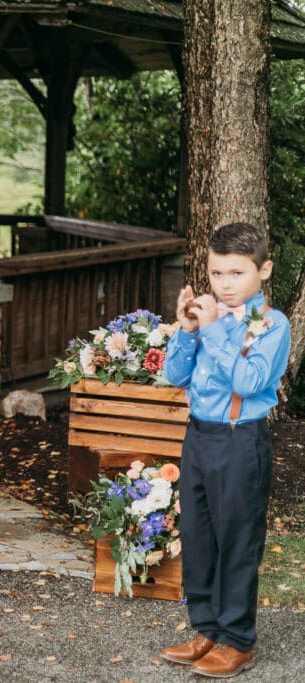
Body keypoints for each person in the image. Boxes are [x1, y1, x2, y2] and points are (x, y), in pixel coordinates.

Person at [160, 222, 290, 678]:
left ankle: (237, 641)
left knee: (237, 540)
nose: (225, 285)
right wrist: (188, 329)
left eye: (236, 273)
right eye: (217, 274)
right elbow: (174, 376)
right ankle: (207, 629)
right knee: (197, 536)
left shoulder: (273, 325)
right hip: (198, 437)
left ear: (264, 269)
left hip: (240, 441)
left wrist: (213, 330)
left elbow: (250, 381)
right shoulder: (207, 319)